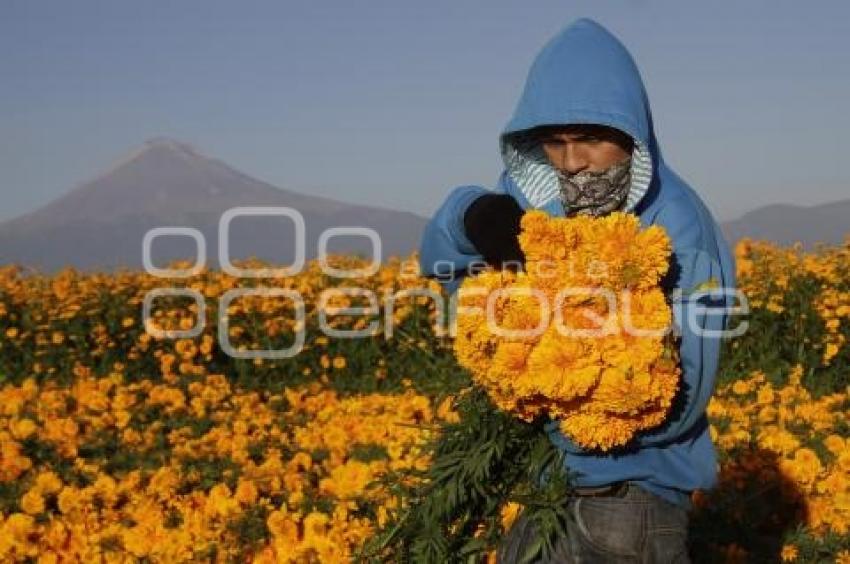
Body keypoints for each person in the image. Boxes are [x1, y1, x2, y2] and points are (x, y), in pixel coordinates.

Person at [417, 17, 737, 563]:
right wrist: (472, 216)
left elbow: (680, 401)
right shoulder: (543, 203)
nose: (572, 162)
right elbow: (439, 260)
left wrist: (543, 393)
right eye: (555, 143)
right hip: (549, 488)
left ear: (630, 134)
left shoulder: (679, 228)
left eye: (590, 139)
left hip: (631, 505)